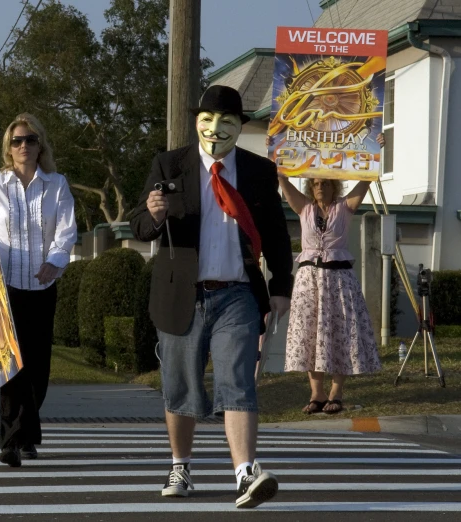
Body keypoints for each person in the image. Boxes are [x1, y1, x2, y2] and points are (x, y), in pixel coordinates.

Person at [130, 85, 293, 508]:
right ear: (196, 121)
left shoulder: (259, 171)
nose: (215, 129)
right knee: (181, 384)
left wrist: (280, 288)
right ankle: (181, 465)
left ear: (240, 126)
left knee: (237, 379)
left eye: (226, 122)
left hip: (237, 293)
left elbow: (275, 233)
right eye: (207, 119)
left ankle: (245, 473)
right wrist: (152, 212)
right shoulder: (171, 164)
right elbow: (139, 226)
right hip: (181, 292)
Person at [0, 113, 77, 468]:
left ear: (41, 146)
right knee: (11, 367)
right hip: (4, 289)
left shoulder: (57, 185)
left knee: (38, 369)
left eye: (30, 140)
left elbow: (66, 232)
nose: (23, 146)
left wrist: (55, 260)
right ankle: (10, 442)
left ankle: (27, 433)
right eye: (17, 141)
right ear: (9, 148)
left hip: (43, 284)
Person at [278, 148, 382, 414]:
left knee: (340, 333)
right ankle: (317, 394)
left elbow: (367, 178)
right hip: (309, 279)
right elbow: (283, 179)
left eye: (324, 183)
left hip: (339, 280)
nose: (320, 187)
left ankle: (336, 393)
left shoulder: (345, 208)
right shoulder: (304, 208)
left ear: (334, 185)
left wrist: (376, 148)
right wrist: (276, 152)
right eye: (315, 183)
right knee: (310, 334)